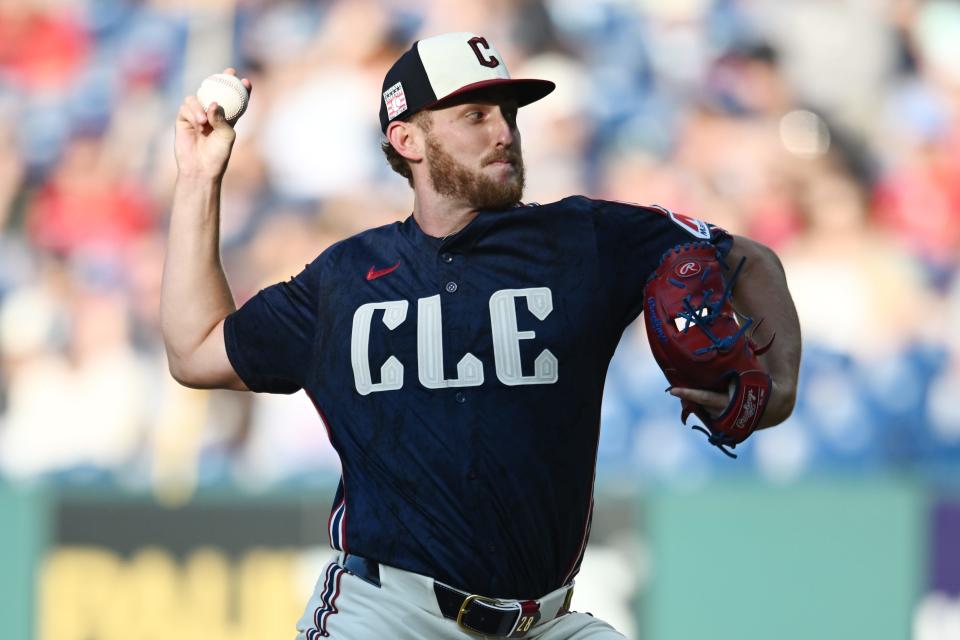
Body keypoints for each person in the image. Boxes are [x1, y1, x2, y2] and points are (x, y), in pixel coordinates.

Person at [162, 32, 801, 640]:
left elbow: (747, 258)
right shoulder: (346, 279)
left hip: (544, 621)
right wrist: (199, 180)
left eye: (508, 114)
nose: (504, 133)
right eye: (474, 115)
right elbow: (196, 350)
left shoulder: (585, 239)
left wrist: (782, 387)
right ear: (406, 138)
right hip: (388, 613)